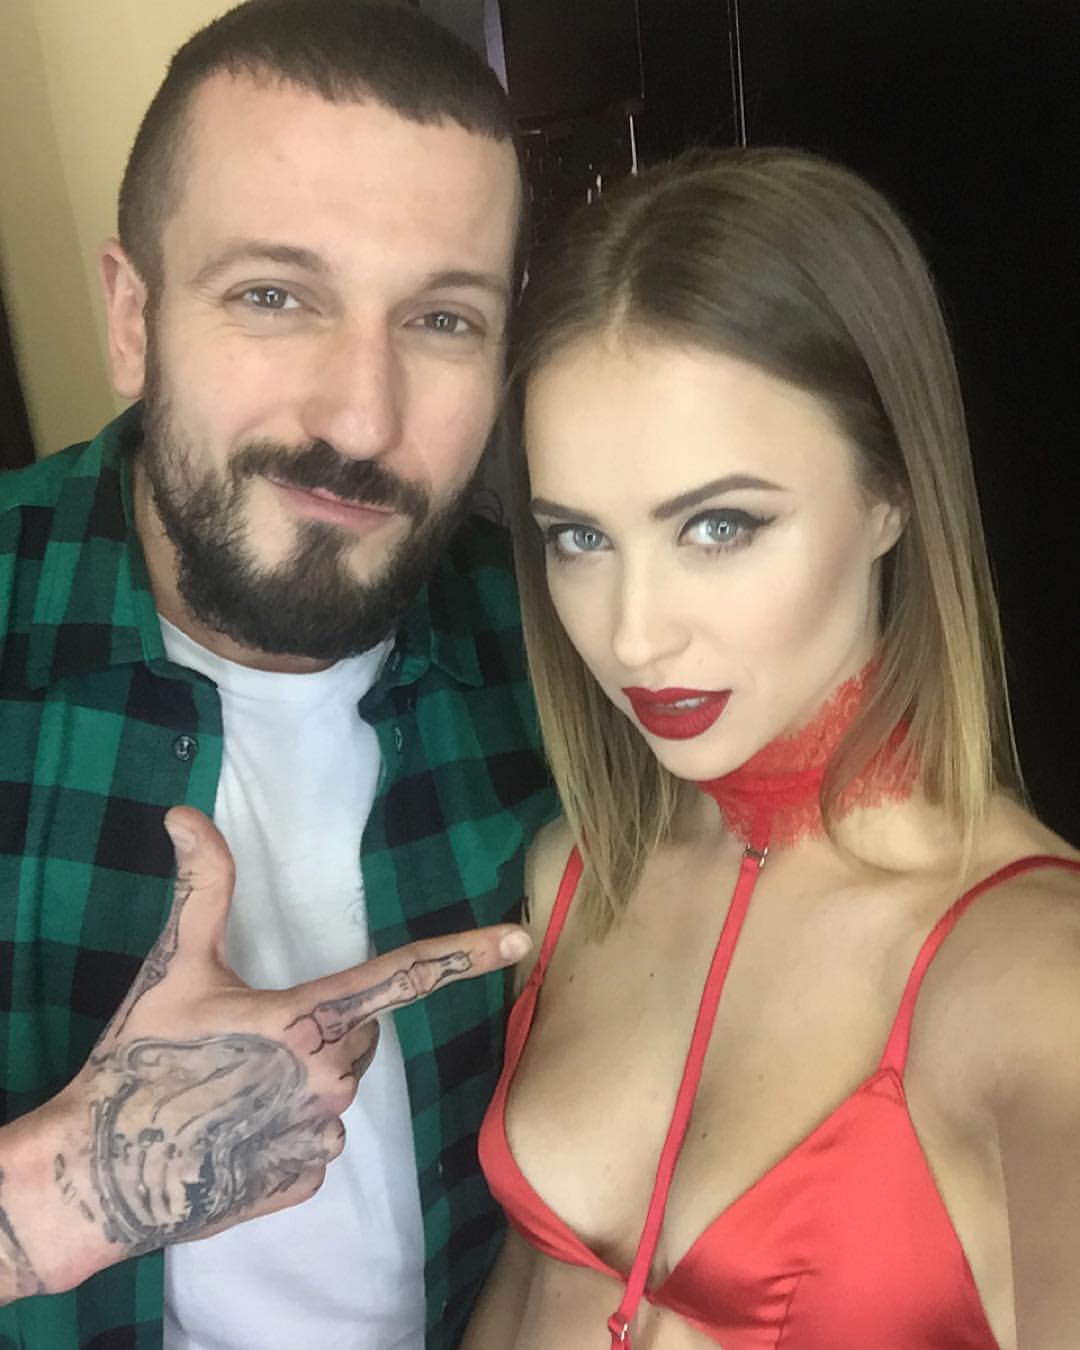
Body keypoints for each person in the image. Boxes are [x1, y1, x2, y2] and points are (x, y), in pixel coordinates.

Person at [0, 3, 556, 1348]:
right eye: (273, 295)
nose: (360, 416)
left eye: (441, 318)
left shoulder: (570, 649)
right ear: (132, 316)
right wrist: (61, 1196)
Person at [463, 149, 1080, 1349]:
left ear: (891, 492)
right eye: (579, 538)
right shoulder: (573, 877)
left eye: (718, 526)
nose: (634, 635)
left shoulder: (1033, 983)